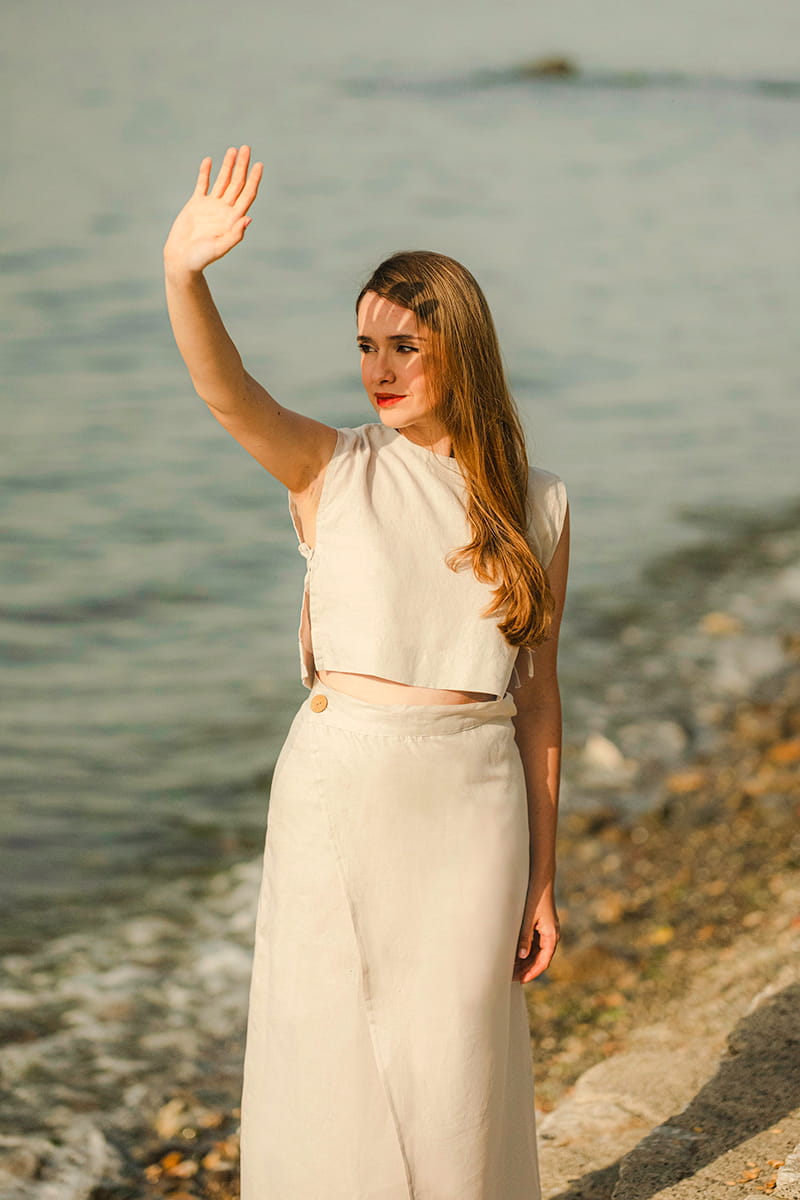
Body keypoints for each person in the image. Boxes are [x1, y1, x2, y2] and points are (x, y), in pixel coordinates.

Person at [163, 145, 569, 1200]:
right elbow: (224, 394)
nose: (376, 370)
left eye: (403, 346)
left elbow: (538, 699)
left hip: (474, 807)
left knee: (456, 1063)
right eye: (362, 346)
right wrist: (184, 277)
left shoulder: (540, 504)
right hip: (339, 787)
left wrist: (542, 874)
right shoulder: (329, 469)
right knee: (326, 1055)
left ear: (459, 351)